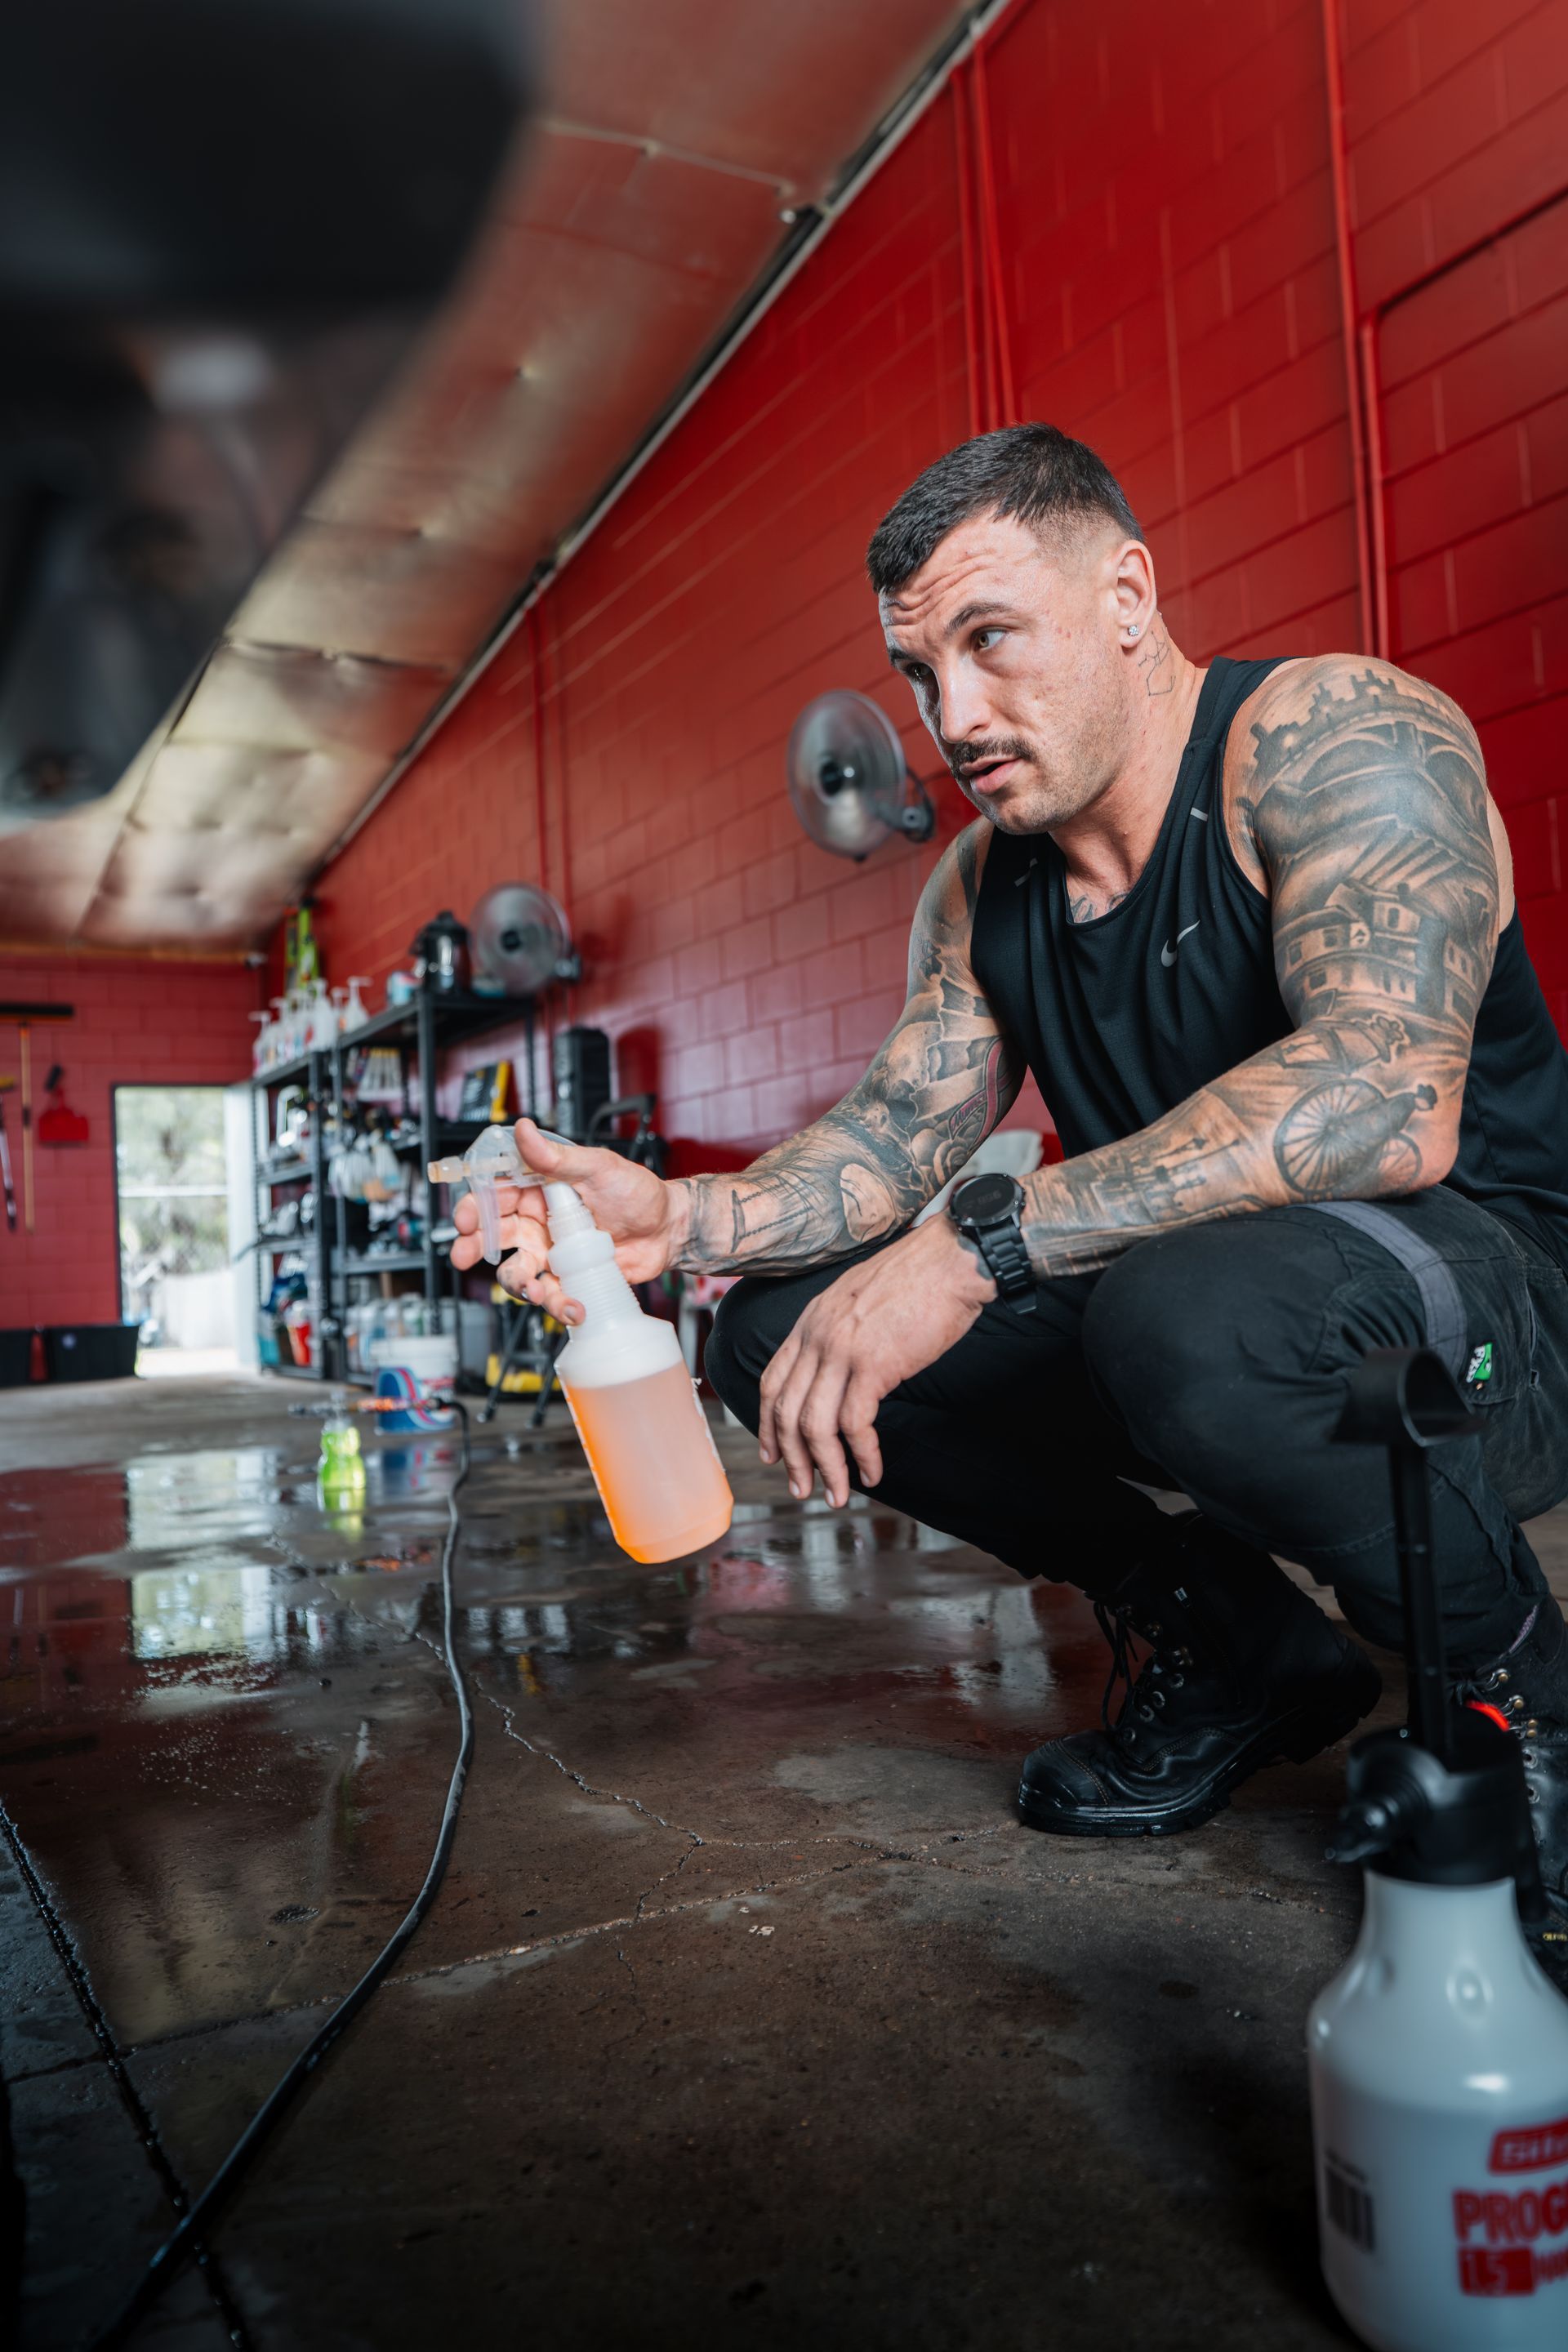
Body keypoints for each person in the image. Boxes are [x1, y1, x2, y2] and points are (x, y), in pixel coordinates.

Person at [450, 424, 1568, 1961]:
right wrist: (676, 1225)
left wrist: (981, 1246)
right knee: (778, 1338)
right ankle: (1236, 1644)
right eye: (920, 674)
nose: (954, 717)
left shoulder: (1332, 734)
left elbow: (1387, 1096)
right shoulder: (982, 888)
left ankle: (1533, 1703)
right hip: (1201, 1313)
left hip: (1491, 1308)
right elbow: (892, 1143)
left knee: (1183, 1309)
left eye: (991, 642)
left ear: (1125, 595)